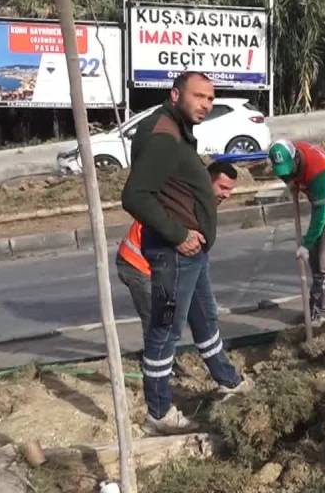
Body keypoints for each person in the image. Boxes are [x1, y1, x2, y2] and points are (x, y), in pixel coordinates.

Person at [121, 72, 248, 435]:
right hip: (174, 255)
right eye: (199, 96)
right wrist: (177, 235)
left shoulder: (176, 130)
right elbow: (135, 196)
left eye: (210, 98)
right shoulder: (162, 136)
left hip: (191, 256)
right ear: (175, 94)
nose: (206, 104)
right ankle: (159, 414)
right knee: (165, 331)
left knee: (206, 319)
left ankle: (228, 381)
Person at [117, 161, 239, 337]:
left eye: (230, 190)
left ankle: (164, 357)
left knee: (170, 317)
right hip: (137, 264)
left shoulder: (201, 201)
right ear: (207, 180)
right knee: (160, 319)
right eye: (223, 187)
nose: (227, 195)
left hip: (159, 265)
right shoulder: (188, 199)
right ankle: (158, 361)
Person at [267, 139, 325, 323]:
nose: (286, 174)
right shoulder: (290, 155)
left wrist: (306, 244)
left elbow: (320, 213)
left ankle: (324, 312)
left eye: (289, 169)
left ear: (295, 158)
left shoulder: (318, 169)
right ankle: (313, 310)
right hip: (321, 202)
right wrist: (290, 183)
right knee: (315, 262)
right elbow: (286, 172)